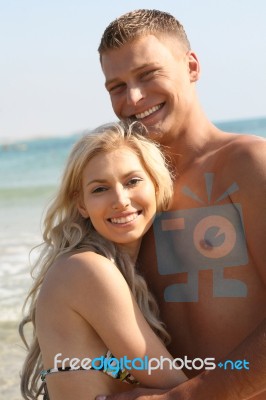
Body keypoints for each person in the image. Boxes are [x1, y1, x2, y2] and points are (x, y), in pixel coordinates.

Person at [97, 9, 266, 400]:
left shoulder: (248, 164)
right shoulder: (128, 195)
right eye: (116, 86)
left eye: (148, 74)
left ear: (191, 67)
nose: (134, 98)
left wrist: (184, 398)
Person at [19, 121, 188, 400]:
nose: (120, 200)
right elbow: (183, 392)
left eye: (132, 181)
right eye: (100, 189)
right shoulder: (87, 269)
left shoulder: (107, 268)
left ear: (157, 185)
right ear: (81, 204)